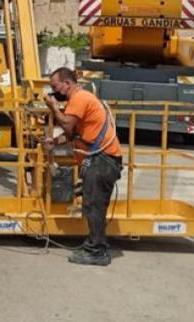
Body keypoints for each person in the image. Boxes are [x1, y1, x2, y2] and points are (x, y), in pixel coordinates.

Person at [44, 67, 123, 266]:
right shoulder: (78, 100)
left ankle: (97, 251)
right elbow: (73, 134)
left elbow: (67, 125)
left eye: (55, 86)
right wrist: (55, 142)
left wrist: (53, 107)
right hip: (99, 159)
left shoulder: (79, 98)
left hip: (103, 160)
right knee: (92, 205)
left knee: (94, 206)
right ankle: (93, 244)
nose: (54, 91)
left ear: (67, 83)